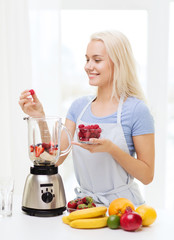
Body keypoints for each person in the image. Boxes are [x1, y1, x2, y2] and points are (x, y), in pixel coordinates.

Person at [19, 30, 155, 207]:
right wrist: (40, 118)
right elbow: (55, 157)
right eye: (87, 59)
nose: (88, 66)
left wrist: (111, 149)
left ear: (118, 63)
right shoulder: (78, 108)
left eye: (97, 60)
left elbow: (147, 176)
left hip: (125, 209)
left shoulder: (137, 110)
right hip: (86, 206)